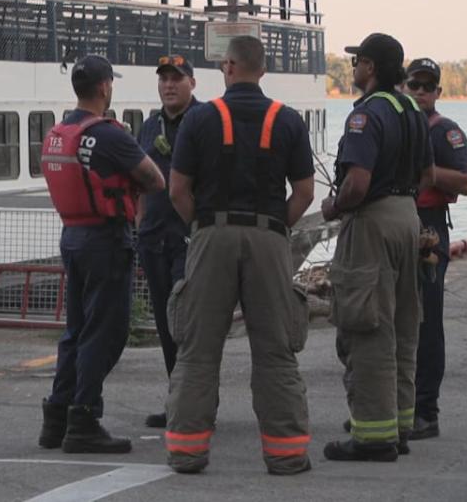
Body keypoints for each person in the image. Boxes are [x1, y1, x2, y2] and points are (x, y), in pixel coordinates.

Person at [164, 36, 316, 475]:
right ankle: (286, 453)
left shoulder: (200, 119)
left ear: (227, 67)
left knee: (197, 349)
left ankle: (187, 451)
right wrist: (275, 229)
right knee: (275, 350)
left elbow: (177, 190)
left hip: (212, 234)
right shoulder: (287, 120)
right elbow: (304, 192)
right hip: (269, 235)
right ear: (263, 71)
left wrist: (204, 227)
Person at [38, 55, 166, 454]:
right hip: (106, 240)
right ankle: (85, 419)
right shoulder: (110, 135)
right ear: (105, 87)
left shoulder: (59, 132)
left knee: (75, 330)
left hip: (72, 237)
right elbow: (155, 180)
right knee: (105, 332)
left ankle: (56, 418)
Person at [321, 33, 433, 462]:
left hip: (372, 222)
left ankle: (371, 436)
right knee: (404, 328)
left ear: (371, 68)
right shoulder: (412, 111)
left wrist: (333, 207)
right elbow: (427, 175)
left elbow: (358, 183)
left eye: (357, 63)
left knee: (365, 325)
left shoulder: (366, 116)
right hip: (408, 217)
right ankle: (399, 426)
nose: (353, 70)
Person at [403, 58, 467, 440]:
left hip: (428, 228)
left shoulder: (445, 132)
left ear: (437, 93)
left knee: (427, 322)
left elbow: (466, 180)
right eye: (413, 84)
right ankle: (393, 405)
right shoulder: (395, 124)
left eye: (427, 87)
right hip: (395, 223)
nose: (419, 91)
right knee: (393, 320)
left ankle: (426, 411)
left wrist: (430, 173)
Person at [136, 54, 200, 429]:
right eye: (163, 79)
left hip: (188, 237)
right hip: (155, 237)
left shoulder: (204, 120)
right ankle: (177, 399)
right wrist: (141, 219)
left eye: (177, 78)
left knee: (188, 322)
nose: (169, 85)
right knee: (164, 323)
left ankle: (195, 400)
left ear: (192, 83)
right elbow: (141, 177)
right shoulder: (149, 126)